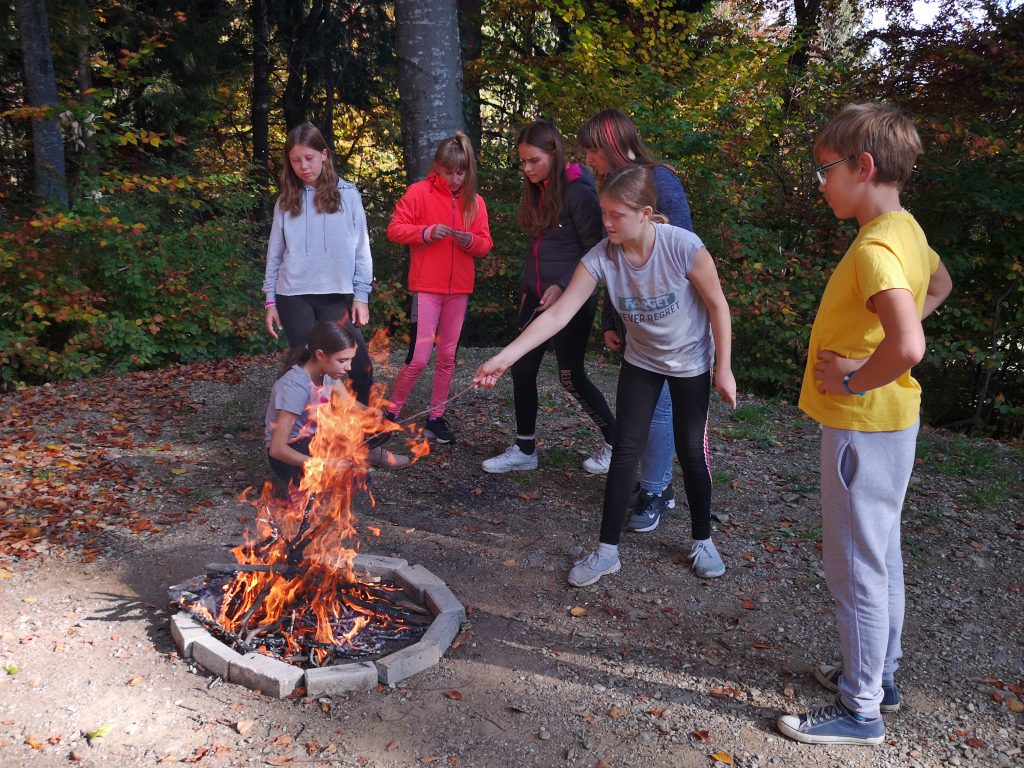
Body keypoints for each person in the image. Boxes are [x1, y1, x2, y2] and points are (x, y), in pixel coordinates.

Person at [776, 103, 952, 746]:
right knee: (881, 556)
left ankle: (860, 710)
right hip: (891, 423)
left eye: (824, 169)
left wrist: (855, 375)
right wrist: (881, 347)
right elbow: (941, 284)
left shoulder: (877, 246)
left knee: (854, 568)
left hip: (862, 422)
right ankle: (884, 678)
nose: (820, 182)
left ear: (864, 166)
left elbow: (908, 346)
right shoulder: (906, 230)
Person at [474, 165, 736, 587]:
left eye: (617, 214)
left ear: (646, 213)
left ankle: (703, 540)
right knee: (625, 448)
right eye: (603, 213)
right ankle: (606, 552)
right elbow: (560, 313)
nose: (607, 222)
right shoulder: (601, 256)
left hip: (691, 362)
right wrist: (505, 357)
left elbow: (718, 305)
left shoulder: (683, 248)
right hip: (642, 362)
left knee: (690, 451)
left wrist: (723, 368)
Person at [261, 123, 405, 468]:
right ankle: (312, 445)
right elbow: (275, 253)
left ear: (324, 155)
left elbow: (361, 248)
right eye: (295, 161)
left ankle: (365, 442)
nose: (303, 166)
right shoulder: (287, 200)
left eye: (309, 158)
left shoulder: (348, 194)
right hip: (293, 296)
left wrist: (361, 295)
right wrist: (270, 300)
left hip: (333, 296)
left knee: (359, 365)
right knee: (314, 369)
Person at [578, 108, 694, 531]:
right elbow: (617, 261)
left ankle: (658, 490)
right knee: (641, 413)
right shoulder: (610, 188)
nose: (589, 159)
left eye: (593, 149)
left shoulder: (660, 180)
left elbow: (680, 256)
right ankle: (650, 482)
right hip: (635, 322)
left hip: (672, 327)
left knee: (660, 412)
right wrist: (612, 320)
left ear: (612, 143)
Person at [481, 121, 617, 474]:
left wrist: (562, 283)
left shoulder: (580, 192)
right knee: (522, 369)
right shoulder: (538, 190)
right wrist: (538, 284)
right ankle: (525, 449)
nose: (527, 169)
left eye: (534, 160)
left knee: (570, 376)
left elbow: (595, 251)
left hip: (572, 298)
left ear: (555, 153)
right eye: (523, 162)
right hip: (535, 294)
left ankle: (617, 441)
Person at [383, 132, 493, 445]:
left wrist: (470, 241)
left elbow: (485, 244)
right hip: (427, 288)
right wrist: (427, 232)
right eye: (449, 172)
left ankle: (436, 417)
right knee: (419, 358)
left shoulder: (476, 202)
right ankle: (391, 413)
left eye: (461, 172)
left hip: (459, 290)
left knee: (446, 357)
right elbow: (395, 229)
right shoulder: (418, 193)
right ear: (437, 167)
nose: (456, 178)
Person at [264, 321, 358, 487]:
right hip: (291, 452)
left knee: (354, 476)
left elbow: (350, 405)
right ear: (320, 355)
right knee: (334, 483)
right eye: (342, 360)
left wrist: (378, 416)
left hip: (314, 439)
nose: (348, 367)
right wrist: (323, 464)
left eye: (350, 360)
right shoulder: (296, 387)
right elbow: (277, 449)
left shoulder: (328, 373)